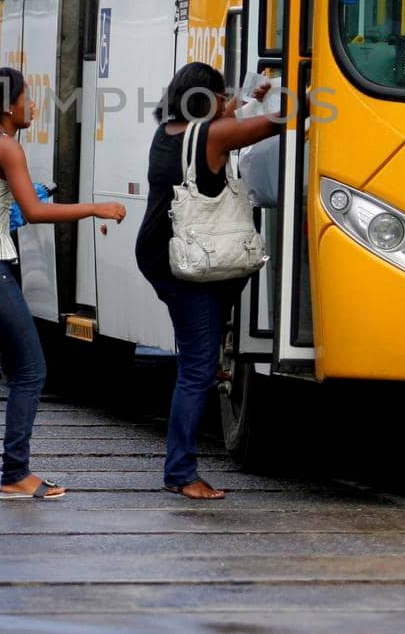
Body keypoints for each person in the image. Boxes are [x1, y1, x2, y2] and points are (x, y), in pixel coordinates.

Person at [0, 66, 125, 502]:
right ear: (7, 107)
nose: (32, 105)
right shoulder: (5, 147)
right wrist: (95, 208)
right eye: (27, 97)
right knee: (31, 370)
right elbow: (34, 212)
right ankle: (16, 473)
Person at [135, 62, 282, 500]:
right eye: (222, 96)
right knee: (196, 370)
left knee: (200, 347)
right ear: (207, 100)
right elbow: (274, 125)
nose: (227, 103)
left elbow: (231, 115)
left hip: (160, 253)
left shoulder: (168, 134)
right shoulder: (213, 136)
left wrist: (253, 92)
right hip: (189, 260)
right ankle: (181, 473)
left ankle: (210, 348)